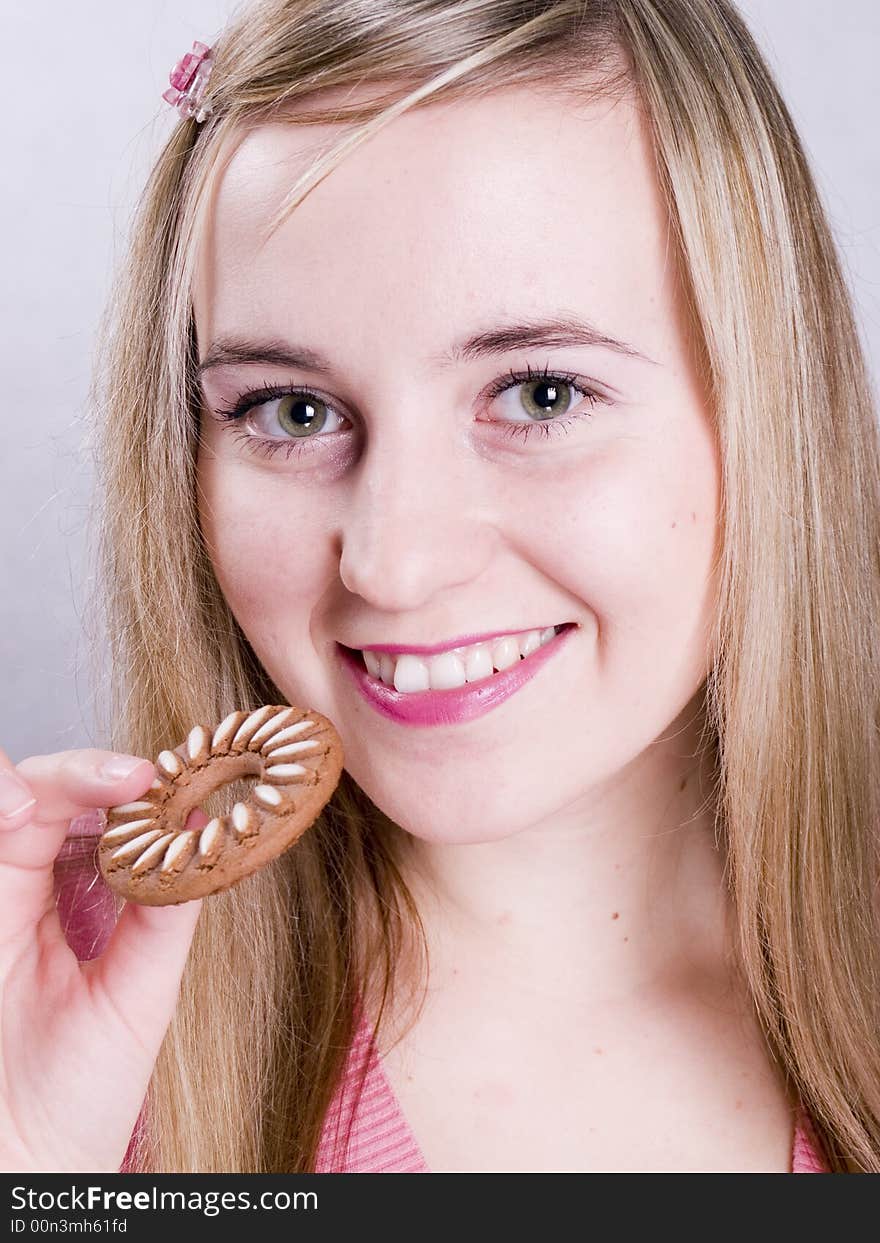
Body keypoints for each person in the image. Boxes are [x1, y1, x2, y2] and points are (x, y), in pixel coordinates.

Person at [1, 0, 878, 1174]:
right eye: (292, 411)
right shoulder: (50, 1013)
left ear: (766, 412)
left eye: (539, 394)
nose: (392, 563)